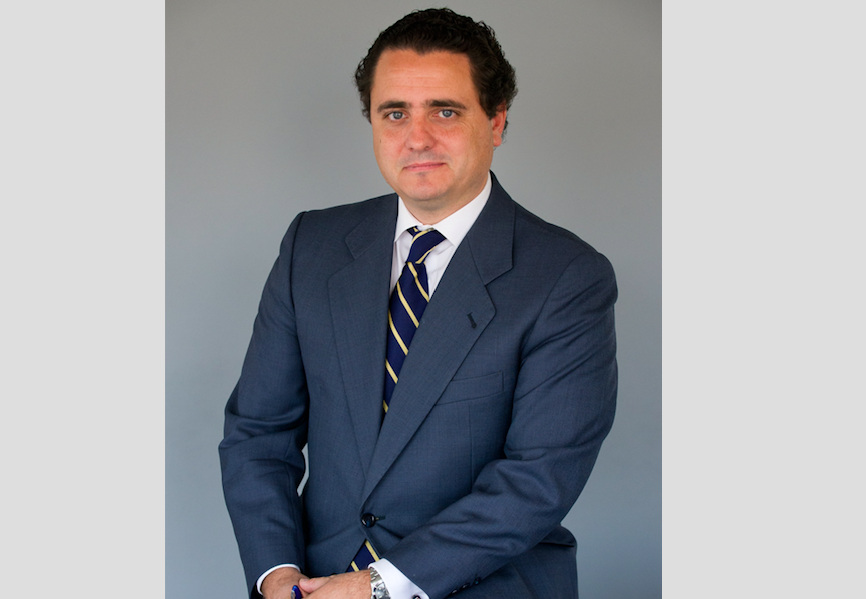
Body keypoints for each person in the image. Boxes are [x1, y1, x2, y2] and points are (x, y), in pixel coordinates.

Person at [219, 8, 617, 599]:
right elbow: (258, 433)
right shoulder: (312, 246)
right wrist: (277, 575)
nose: (417, 137)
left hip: (482, 586)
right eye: (395, 113)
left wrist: (377, 587)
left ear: (496, 121)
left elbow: (538, 479)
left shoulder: (566, 277)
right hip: (313, 584)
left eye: (445, 111)